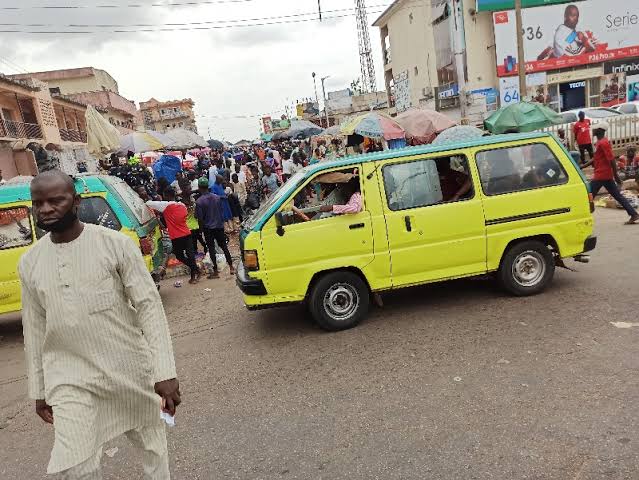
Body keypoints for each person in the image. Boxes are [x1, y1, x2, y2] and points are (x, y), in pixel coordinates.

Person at [19, 170, 180, 479]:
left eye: (56, 200)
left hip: (128, 367)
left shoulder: (115, 245)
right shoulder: (30, 262)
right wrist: (39, 389)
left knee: (154, 452)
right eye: (38, 203)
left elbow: (149, 307)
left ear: (76, 202)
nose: (46, 209)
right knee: (74, 465)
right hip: (69, 377)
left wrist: (165, 372)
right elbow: (35, 328)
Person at [582, 124, 639, 225]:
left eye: (595, 128)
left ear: (599, 130)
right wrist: (583, 166)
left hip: (602, 175)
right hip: (604, 174)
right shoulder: (600, 142)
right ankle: (633, 214)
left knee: (588, 194)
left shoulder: (603, 143)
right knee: (617, 195)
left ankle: (584, 216)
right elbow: (595, 158)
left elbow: (612, 160)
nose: (593, 130)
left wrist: (616, 176)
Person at [147, 187, 202, 284]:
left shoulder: (165, 205)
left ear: (166, 195)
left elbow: (148, 203)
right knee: (190, 255)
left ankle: (195, 271)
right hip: (186, 233)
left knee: (180, 256)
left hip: (176, 236)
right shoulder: (182, 205)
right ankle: (195, 271)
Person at [195, 178, 235, 278]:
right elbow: (221, 211)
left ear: (199, 187)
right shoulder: (217, 198)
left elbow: (199, 218)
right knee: (224, 247)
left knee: (211, 249)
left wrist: (200, 231)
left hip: (208, 228)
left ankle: (216, 271)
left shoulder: (199, 201)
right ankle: (231, 267)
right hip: (219, 226)